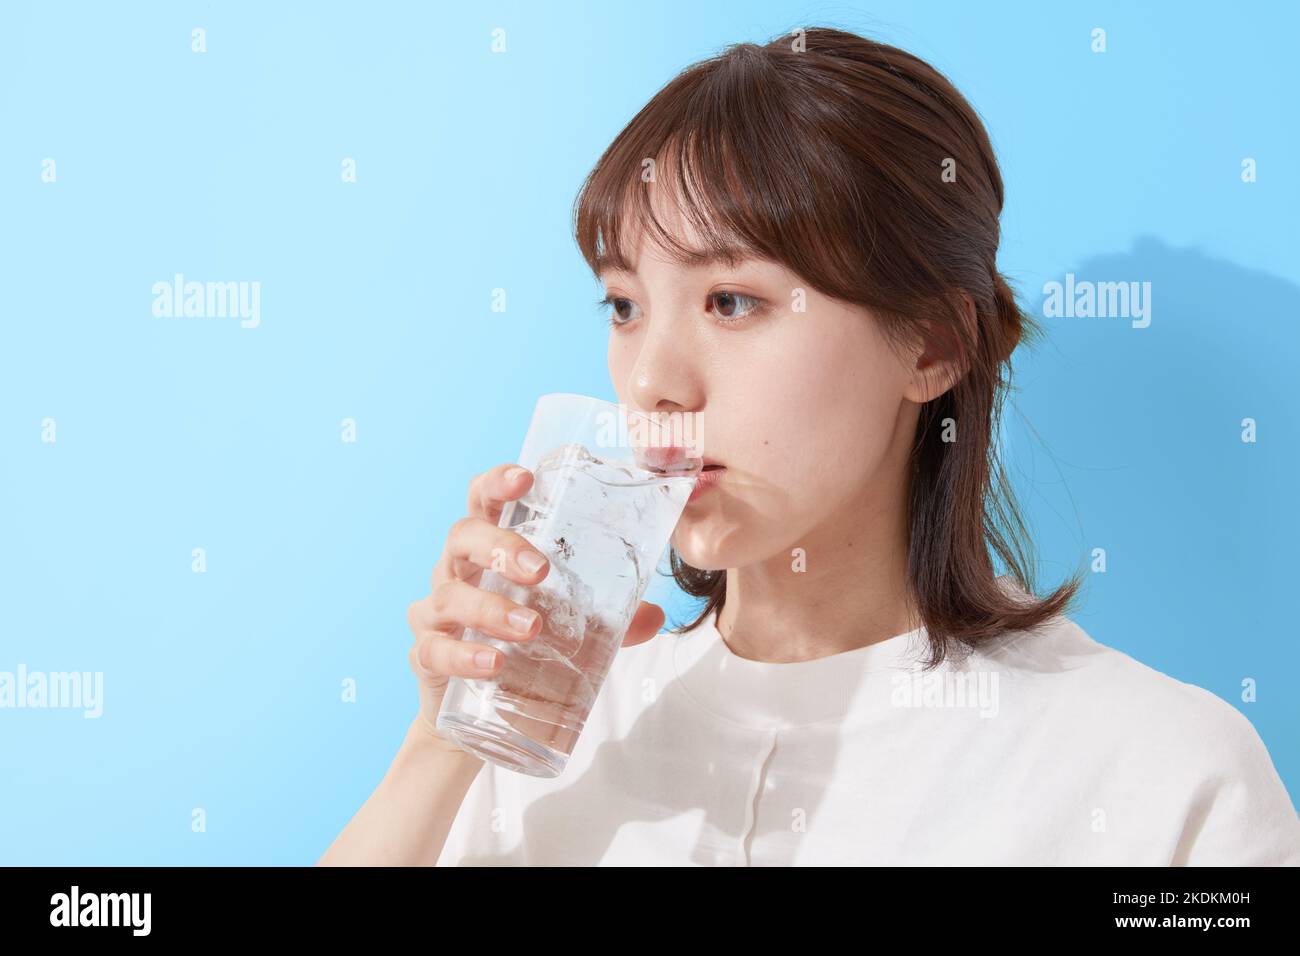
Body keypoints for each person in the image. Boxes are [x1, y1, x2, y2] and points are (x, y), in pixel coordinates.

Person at [319, 27, 1300, 866]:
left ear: (932, 343)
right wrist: (441, 741)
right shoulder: (539, 732)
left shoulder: (1160, 776)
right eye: (622, 304)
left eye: (731, 300)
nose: (653, 381)